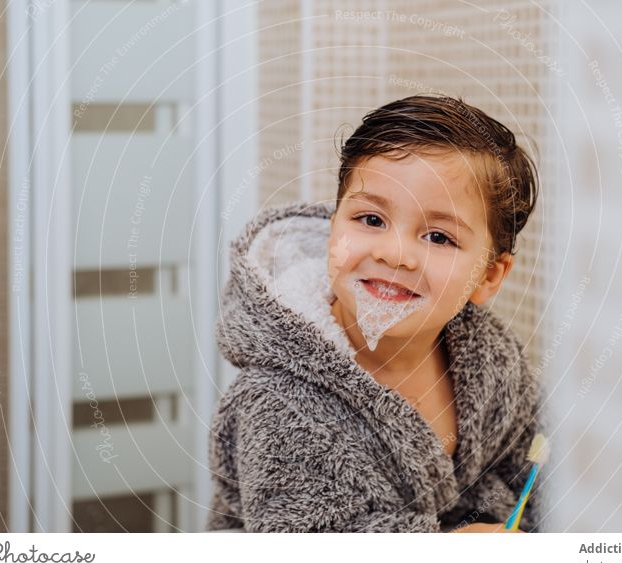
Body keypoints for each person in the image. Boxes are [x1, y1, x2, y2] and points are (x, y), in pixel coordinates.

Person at [206, 94, 547, 533]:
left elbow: (531, 481)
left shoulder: (493, 365)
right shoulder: (279, 402)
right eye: (370, 220)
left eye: (439, 237)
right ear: (333, 228)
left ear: (488, 277)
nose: (394, 254)